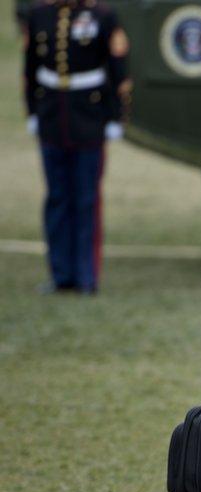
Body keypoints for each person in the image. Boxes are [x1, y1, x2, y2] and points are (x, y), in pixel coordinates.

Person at [22, 0, 131, 295]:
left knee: (85, 199)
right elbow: (30, 66)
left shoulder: (102, 15)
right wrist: (32, 111)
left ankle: (86, 277)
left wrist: (115, 116)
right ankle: (61, 275)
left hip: (89, 118)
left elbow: (118, 66)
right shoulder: (39, 14)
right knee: (56, 198)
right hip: (52, 117)